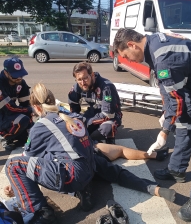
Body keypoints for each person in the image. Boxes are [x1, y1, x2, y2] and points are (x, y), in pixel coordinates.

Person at [5, 83, 175, 224]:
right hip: (89, 164)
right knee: (111, 169)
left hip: (73, 174)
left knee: (13, 166)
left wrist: (17, 185)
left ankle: (40, 212)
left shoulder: (41, 125)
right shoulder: (70, 115)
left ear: (36, 107)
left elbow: (26, 160)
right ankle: (153, 188)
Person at [113, 28, 191, 222]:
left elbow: (175, 99)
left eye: (126, 56)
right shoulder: (152, 46)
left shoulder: (163, 55)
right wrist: (167, 114)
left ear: (132, 45)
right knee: (183, 125)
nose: (129, 61)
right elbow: (167, 91)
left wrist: (165, 131)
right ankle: (177, 169)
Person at [68, 62, 122, 145]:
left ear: (92, 75)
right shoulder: (78, 86)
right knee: (77, 130)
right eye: (79, 80)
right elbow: (73, 103)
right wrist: (76, 119)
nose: (82, 83)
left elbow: (107, 113)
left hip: (111, 114)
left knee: (107, 127)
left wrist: (88, 121)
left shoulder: (106, 87)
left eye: (85, 78)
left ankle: (110, 139)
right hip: (93, 112)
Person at [0, 57, 33, 151]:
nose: (19, 78)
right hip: (4, 112)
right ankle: (4, 136)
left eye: (21, 75)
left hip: (7, 113)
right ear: (6, 73)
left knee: (28, 130)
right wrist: (30, 110)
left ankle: (12, 134)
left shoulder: (21, 83)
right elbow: (9, 108)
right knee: (22, 120)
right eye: (15, 76)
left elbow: (26, 104)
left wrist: (29, 128)